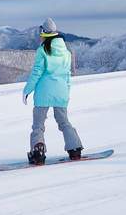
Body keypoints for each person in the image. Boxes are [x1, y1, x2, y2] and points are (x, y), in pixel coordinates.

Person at [22, 18, 83, 164]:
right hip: (61, 91)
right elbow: (68, 76)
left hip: (44, 91)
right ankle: (75, 149)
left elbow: (36, 72)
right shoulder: (66, 53)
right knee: (64, 122)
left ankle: (38, 152)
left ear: (44, 33)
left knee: (38, 125)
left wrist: (27, 90)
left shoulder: (42, 50)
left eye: (41, 32)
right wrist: (66, 93)